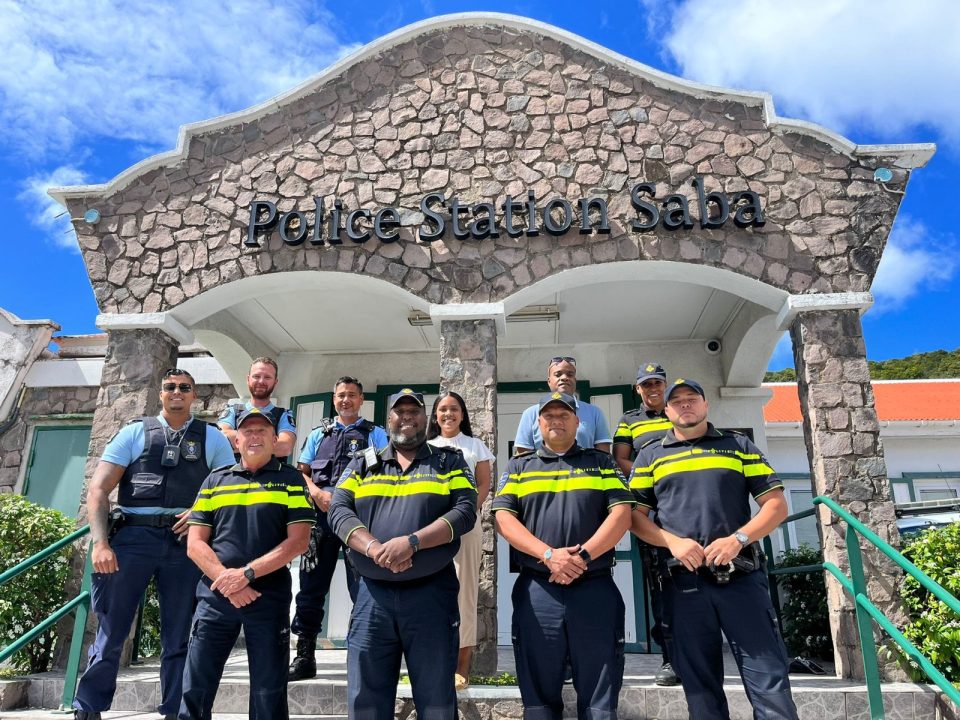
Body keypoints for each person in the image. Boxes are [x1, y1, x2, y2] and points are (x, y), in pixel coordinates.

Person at [629, 379, 799, 720]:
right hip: (683, 584)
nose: (685, 405)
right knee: (700, 688)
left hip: (741, 580)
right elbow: (634, 517)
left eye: (692, 398)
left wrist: (739, 538)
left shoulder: (738, 445)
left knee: (769, 680)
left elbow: (776, 506)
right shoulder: (650, 455)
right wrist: (672, 542)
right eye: (676, 401)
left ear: (706, 405)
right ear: (666, 411)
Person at [73, 368, 235, 720]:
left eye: (184, 387)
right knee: (111, 629)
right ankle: (87, 708)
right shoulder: (133, 433)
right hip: (133, 538)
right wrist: (101, 544)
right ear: (160, 394)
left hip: (186, 542)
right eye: (170, 387)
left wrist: (197, 510)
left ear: (195, 395)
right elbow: (99, 489)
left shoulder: (213, 439)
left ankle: (176, 711)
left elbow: (229, 488)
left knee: (180, 635)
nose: (177, 392)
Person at [328, 388, 477, 720]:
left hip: (431, 596)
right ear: (388, 418)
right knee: (366, 700)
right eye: (400, 411)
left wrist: (412, 543)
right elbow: (338, 510)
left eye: (414, 412)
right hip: (372, 596)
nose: (407, 417)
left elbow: (465, 511)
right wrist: (374, 547)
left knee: (437, 698)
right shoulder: (363, 463)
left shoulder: (448, 462)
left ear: (426, 418)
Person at [493, 391, 634, 720]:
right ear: (538, 424)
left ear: (577, 421)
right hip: (538, 589)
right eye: (549, 416)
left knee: (600, 687)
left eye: (564, 415)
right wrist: (548, 555)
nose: (556, 421)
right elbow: (503, 519)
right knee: (539, 689)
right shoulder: (518, 466)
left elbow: (622, 514)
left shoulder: (602, 463)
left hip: (594, 586)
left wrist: (581, 557)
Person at [178, 407, 314, 720]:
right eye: (248, 432)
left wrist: (246, 575)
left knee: (269, 691)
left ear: (274, 439)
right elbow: (195, 543)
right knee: (195, 686)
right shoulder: (215, 480)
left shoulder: (292, 479)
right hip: (215, 598)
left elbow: (299, 541)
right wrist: (229, 582)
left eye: (262, 431)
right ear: (236, 441)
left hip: (267, 598)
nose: (254, 437)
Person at [288, 376, 389, 681]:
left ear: (361, 400)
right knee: (310, 588)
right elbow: (301, 472)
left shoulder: (376, 435)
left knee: (363, 588)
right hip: (320, 519)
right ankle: (305, 656)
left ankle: (365, 655)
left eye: (352, 396)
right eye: (341, 395)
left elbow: (385, 474)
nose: (346, 400)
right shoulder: (319, 434)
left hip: (358, 521)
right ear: (334, 400)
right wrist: (316, 493)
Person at [612, 362, 677, 686]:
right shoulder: (629, 421)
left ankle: (698, 654)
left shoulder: (679, 411)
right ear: (638, 389)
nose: (652, 389)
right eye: (646, 385)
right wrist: (649, 470)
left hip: (687, 507)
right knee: (662, 586)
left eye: (657, 383)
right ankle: (671, 659)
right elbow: (620, 457)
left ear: (665, 385)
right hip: (651, 509)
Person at [426, 390, 495, 691]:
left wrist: (464, 515)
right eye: (442, 409)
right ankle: (432, 662)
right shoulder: (425, 447)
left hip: (465, 528)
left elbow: (483, 486)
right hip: (428, 530)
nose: (448, 414)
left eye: (454, 409)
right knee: (429, 593)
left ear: (463, 414)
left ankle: (461, 665)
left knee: (464, 592)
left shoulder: (475, 446)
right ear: (435, 415)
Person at [513, 356, 612, 455]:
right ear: (549, 381)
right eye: (558, 374)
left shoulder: (594, 413)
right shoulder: (530, 414)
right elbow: (523, 457)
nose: (564, 378)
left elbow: (603, 454)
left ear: (575, 380)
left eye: (570, 374)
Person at [217, 356, 297, 458]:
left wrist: (241, 442)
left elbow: (285, 447)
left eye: (267, 377)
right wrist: (267, 442)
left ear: (275, 382)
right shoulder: (233, 411)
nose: (261, 381)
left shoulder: (283, 415)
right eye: (256, 376)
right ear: (248, 379)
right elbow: (221, 438)